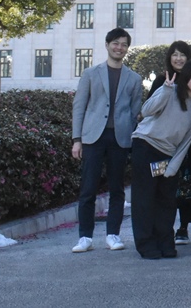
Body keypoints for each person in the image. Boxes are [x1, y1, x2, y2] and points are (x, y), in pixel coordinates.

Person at [71, 27, 142, 253]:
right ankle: (85, 237)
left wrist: (129, 132)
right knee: (88, 188)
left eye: (123, 44)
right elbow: (79, 107)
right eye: (115, 43)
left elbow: (135, 111)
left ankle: (113, 234)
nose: (119, 47)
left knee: (117, 189)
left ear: (127, 49)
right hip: (93, 137)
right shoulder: (91, 73)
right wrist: (77, 139)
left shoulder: (134, 78)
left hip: (119, 138)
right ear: (107, 44)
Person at [130, 60, 191, 259]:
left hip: (168, 154)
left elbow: (187, 140)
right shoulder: (170, 91)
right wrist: (164, 90)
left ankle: (165, 241)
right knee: (145, 199)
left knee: (167, 200)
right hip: (146, 145)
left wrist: (174, 165)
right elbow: (146, 111)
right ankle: (145, 244)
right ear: (186, 77)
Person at [148, 41, 191, 247]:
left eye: (183, 55)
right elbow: (151, 106)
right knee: (163, 185)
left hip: (189, 144)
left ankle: (183, 227)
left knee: (187, 186)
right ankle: (162, 228)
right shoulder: (162, 79)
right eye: (174, 55)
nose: (178, 59)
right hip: (163, 144)